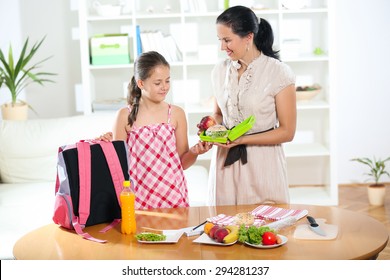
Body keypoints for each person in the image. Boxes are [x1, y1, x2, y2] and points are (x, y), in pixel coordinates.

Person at [206, 5, 296, 206]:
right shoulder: (219, 71)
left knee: (266, 228)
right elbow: (218, 113)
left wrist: (242, 139)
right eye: (220, 40)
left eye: (227, 40)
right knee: (225, 229)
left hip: (263, 163)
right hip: (224, 163)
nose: (222, 47)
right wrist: (212, 127)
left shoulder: (278, 73)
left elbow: (287, 131)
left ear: (248, 37)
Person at [100, 51, 212, 209]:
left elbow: (183, 163)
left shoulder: (176, 114)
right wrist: (104, 144)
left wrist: (195, 152)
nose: (164, 87)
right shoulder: (124, 115)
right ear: (141, 83)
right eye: (158, 83)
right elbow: (116, 166)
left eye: (167, 81)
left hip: (173, 198)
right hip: (137, 200)